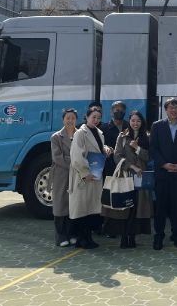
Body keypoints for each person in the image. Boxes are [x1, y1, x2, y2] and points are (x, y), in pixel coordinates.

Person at [150, 98, 177, 250]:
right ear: (166, 110)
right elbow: (153, 148)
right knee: (160, 207)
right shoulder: (157, 126)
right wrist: (164, 164)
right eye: (170, 107)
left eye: (176, 107)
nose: (173, 110)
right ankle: (159, 236)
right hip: (162, 174)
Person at [106, 110, 153, 248]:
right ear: (129, 121)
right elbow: (117, 156)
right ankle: (123, 237)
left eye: (138, 121)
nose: (135, 123)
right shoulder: (122, 136)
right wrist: (132, 166)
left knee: (137, 207)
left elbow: (149, 157)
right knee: (124, 207)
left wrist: (137, 148)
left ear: (142, 122)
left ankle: (132, 236)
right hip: (125, 175)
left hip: (140, 177)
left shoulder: (147, 136)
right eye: (133, 120)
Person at [68, 106, 112, 249]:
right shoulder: (80, 133)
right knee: (82, 209)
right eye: (93, 117)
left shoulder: (99, 133)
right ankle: (82, 239)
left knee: (90, 210)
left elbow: (97, 148)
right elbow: (76, 156)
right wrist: (85, 173)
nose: (96, 120)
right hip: (84, 177)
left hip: (95, 175)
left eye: (98, 118)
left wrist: (105, 149)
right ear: (86, 117)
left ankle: (87, 238)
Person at [51, 108, 78, 247]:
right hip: (61, 174)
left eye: (73, 118)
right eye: (68, 118)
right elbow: (57, 158)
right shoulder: (56, 137)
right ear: (63, 120)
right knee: (60, 204)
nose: (70, 120)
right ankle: (60, 236)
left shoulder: (80, 135)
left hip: (76, 174)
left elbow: (84, 154)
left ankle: (71, 233)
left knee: (73, 204)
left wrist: (77, 161)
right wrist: (75, 162)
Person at [101, 100, 129, 237]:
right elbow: (99, 145)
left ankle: (122, 227)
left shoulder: (129, 126)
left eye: (121, 110)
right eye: (116, 110)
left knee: (123, 196)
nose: (119, 112)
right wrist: (105, 148)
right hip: (109, 167)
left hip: (125, 167)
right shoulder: (104, 128)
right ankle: (107, 228)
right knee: (109, 198)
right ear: (111, 112)